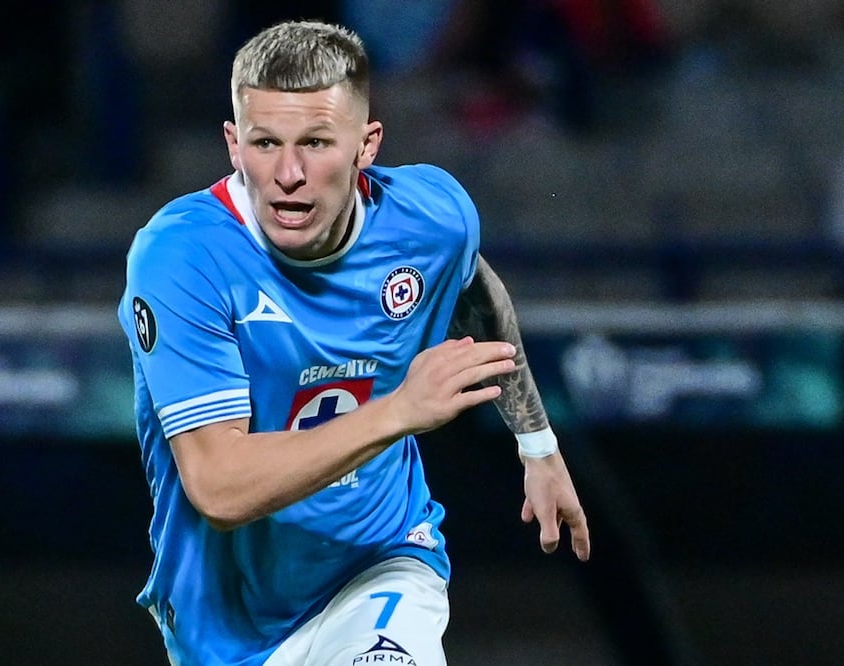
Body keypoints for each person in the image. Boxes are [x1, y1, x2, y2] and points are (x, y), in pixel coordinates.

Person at [118, 20, 590, 666]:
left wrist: (536, 444)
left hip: (377, 564)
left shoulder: (431, 218)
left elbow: (475, 293)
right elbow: (219, 487)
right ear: (232, 144)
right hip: (224, 622)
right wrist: (398, 410)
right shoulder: (184, 257)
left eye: (315, 142)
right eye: (265, 143)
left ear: (366, 144)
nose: (288, 173)